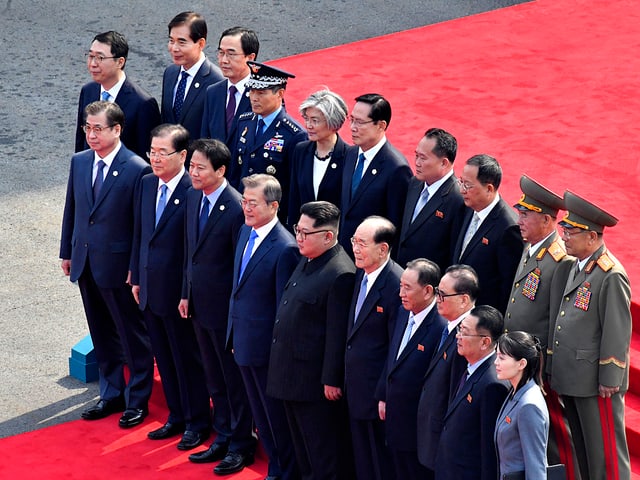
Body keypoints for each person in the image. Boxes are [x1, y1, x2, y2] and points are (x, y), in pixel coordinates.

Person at [60, 101, 154, 428]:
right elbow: (72, 209)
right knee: (100, 332)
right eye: (88, 127)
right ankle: (111, 392)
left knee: (132, 335)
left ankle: (137, 400)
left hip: (117, 266)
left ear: (117, 129)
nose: (91, 134)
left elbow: (141, 226)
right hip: (86, 260)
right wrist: (66, 251)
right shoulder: (80, 162)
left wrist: (135, 267)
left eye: (98, 128)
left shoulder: (136, 168)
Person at [129, 124, 210, 449]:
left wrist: (186, 293)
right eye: (153, 151)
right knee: (163, 356)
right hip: (149, 288)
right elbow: (140, 232)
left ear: (183, 155)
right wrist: (136, 274)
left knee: (186, 361)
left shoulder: (192, 193)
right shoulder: (147, 184)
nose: (156, 158)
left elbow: (193, 251)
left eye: (164, 153)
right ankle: (176, 416)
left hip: (178, 295)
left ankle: (197, 421)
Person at [178, 139, 255, 475]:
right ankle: (222, 435)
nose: (193, 173)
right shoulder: (194, 196)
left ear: (220, 170)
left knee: (232, 381)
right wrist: (186, 293)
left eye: (200, 168)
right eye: (191, 166)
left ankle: (240, 444)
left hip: (225, 312)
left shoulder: (237, 208)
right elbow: (189, 253)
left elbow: (240, 268)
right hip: (199, 306)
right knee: (214, 378)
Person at [267, 201, 356, 480]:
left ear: (328, 236)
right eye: (298, 230)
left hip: (313, 383)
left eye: (306, 233)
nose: (299, 238)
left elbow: (336, 332)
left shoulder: (340, 273)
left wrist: (331, 379)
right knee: (303, 452)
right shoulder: (308, 256)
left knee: (322, 454)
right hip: (291, 374)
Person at [548, 190, 631, 479]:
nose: (565, 236)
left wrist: (610, 377)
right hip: (574, 376)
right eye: (565, 230)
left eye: (572, 231)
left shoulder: (610, 274)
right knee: (584, 454)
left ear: (592, 237)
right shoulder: (578, 266)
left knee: (605, 457)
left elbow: (616, 328)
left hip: (596, 384)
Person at [227, 174, 300, 479]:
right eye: (244, 201)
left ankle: (283, 471)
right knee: (259, 414)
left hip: (265, 350)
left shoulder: (284, 247)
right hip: (243, 340)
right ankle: (275, 466)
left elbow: (282, 309)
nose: (245, 207)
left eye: (252, 203)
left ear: (273, 206)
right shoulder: (246, 232)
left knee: (274, 418)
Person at [504, 175, 575, 471]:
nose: (519, 220)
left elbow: (555, 321)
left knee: (547, 444)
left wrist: (544, 368)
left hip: (536, 367)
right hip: (519, 359)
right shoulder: (531, 247)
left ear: (547, 221)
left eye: (526, 215)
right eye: (520, 213)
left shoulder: (558, 260)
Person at [345, 216, 404, 480]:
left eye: (362, 243)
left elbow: (394, 347)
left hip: (376, 394)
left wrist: (384, 394)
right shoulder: (362, 273)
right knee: (361, 459)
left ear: (383, 249)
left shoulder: (396, 285)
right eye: (354, 241)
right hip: (356, 386)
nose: (355, 248)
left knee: (379, 462)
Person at [377, 259, 447, 479]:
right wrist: (383, 395)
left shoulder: (440, 327)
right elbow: (391, 358)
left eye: (407, 288)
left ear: (427, 291)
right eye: (400, 286)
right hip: (394, 416)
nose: (401, 293)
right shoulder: (402, 313)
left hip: (419, 424)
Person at [416, 264, 478, 478]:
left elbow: (455, 394)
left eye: (443, 295)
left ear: (463, 299)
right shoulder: (449, 327)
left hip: (444, 440)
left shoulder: (468, 338)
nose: (437, 299)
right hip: (431, 434)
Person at [434, 305, 509, 480]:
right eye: (460, 330)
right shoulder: (469, 367)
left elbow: (489, 451)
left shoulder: (492, 384)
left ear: (485, 342)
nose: (458, 337)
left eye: (465, 333)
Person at [228, 61, 307, 223]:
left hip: (271, 217)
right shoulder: (244, 122)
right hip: (242, 211)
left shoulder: (294, 134)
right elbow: (235, 172)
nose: (254, 98)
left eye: (261, 93)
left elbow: (293, 187)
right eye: (252, 91)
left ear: (280, 94)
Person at [339, 93, 412, 256]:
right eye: (351, 120)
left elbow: (394, 226)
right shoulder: (351, 154)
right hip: (344, 253)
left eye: (360, 122)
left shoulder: (396, 168)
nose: (352, 127)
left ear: (381, 125)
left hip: (370, 258)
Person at [451, 154, 524, 313]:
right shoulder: (468, 208)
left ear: (489, 189)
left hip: (481, 316)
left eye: (468, 185)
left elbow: (507, 286)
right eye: (461, 182)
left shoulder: (509, 228)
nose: (462, 190)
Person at [75, 31, 160, 158]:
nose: (93, 63)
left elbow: (147, 157)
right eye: (91, 56)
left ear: (120, 62)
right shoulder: (88, 91)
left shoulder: (143, 103)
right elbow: (81, 144)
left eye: (100, 58)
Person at [396, 128, 465, 272]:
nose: (417, 162)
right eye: (416, 156)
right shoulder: (414, 184)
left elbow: (454, 254)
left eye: (423, 158)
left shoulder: (458, 200)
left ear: (444, 163)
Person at [161, 11, 223, 161]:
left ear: (201, 44)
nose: (174, 48)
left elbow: (215, 135)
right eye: (171, 41)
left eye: (182, 42)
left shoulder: (216, 82)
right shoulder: (170, 73)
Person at [288, 90, 350, 225]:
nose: (308, 125)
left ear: (333, 123)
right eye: (307, 119)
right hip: (303, 235)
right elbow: (294, 199)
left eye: (315, 121)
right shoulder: (300, 151)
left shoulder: (349, 157)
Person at [494, 331, 549, 479]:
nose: (496, 362)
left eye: (502, 358)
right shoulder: (516, 391)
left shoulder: (529, 406)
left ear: (522, 364)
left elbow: (536, 466)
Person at [200, 26, 259, 145]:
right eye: (221, 53)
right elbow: (205, 140)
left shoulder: (262, 94)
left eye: (231, 54)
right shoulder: (213, 92)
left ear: (251, 58)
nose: (224, 60)